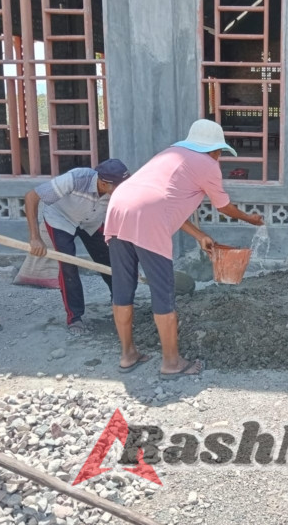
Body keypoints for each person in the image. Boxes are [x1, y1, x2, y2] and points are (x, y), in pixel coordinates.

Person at [104, 119, 264, 377]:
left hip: (118, 208)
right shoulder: (208, 165)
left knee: (123, 289)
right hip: (148, 217)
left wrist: (199, 235)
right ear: (214, 149)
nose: (219, 157)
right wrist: (250, 219)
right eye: (220, 152)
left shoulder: (170, 154)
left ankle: (128, 354)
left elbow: (163, 203)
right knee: (163, 293)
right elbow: (223, 207)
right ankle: (171, 362)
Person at [24, 158, 130, 335]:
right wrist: (35, 238)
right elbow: (31, 197)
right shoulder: (76, 179)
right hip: (61, 219)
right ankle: (74, 317)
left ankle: (119, 304)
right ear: (103, 183)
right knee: (68, 267)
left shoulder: (117, 191)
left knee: (110, 260)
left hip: (91, 221)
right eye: (119, 186)